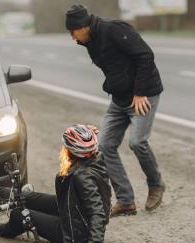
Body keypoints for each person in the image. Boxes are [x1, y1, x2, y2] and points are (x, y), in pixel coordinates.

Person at [65, 4, 165, 216]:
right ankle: (126, 201)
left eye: (72, 32)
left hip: (142, 95)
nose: (72, 38)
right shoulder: (91, 41)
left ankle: (156, 184)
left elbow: (145, 56)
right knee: (105, 146)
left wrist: (139, 92)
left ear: (82, 27)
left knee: (137, 142)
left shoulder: (114, 29)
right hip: (120, 100)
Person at [0, 124, 111, 243]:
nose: (63, 149)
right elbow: (88, 147)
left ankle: (1, 229)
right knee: (25, 196)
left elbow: (97, 210)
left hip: (73, 231)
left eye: (65, 146)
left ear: (72, 151)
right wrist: (88, 134)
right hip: (71, 209)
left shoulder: (83, 177)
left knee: (20, 214)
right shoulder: (95, 157)